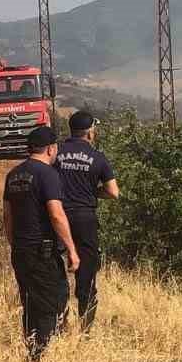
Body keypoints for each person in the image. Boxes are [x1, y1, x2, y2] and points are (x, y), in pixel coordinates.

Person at [2, 126, 80, 361]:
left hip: (21, 250)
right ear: (50, 148)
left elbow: (7, 216)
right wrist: (72, 250)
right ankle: (41, 357)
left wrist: (14, 243)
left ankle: (32, 347)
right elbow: (56, 215)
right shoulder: (47, 174)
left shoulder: (13, 174)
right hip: (42, 251)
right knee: (53, 299)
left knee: (30, 301)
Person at [55, 110, 119, 332]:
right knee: (87, 275)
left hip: (57, 217)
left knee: (55, 270)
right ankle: (86, 328)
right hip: (84, 218)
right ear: (90, 131)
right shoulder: (98, 157)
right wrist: (92, 192)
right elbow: (113, 192)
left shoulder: (56, 153)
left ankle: (57, 323)